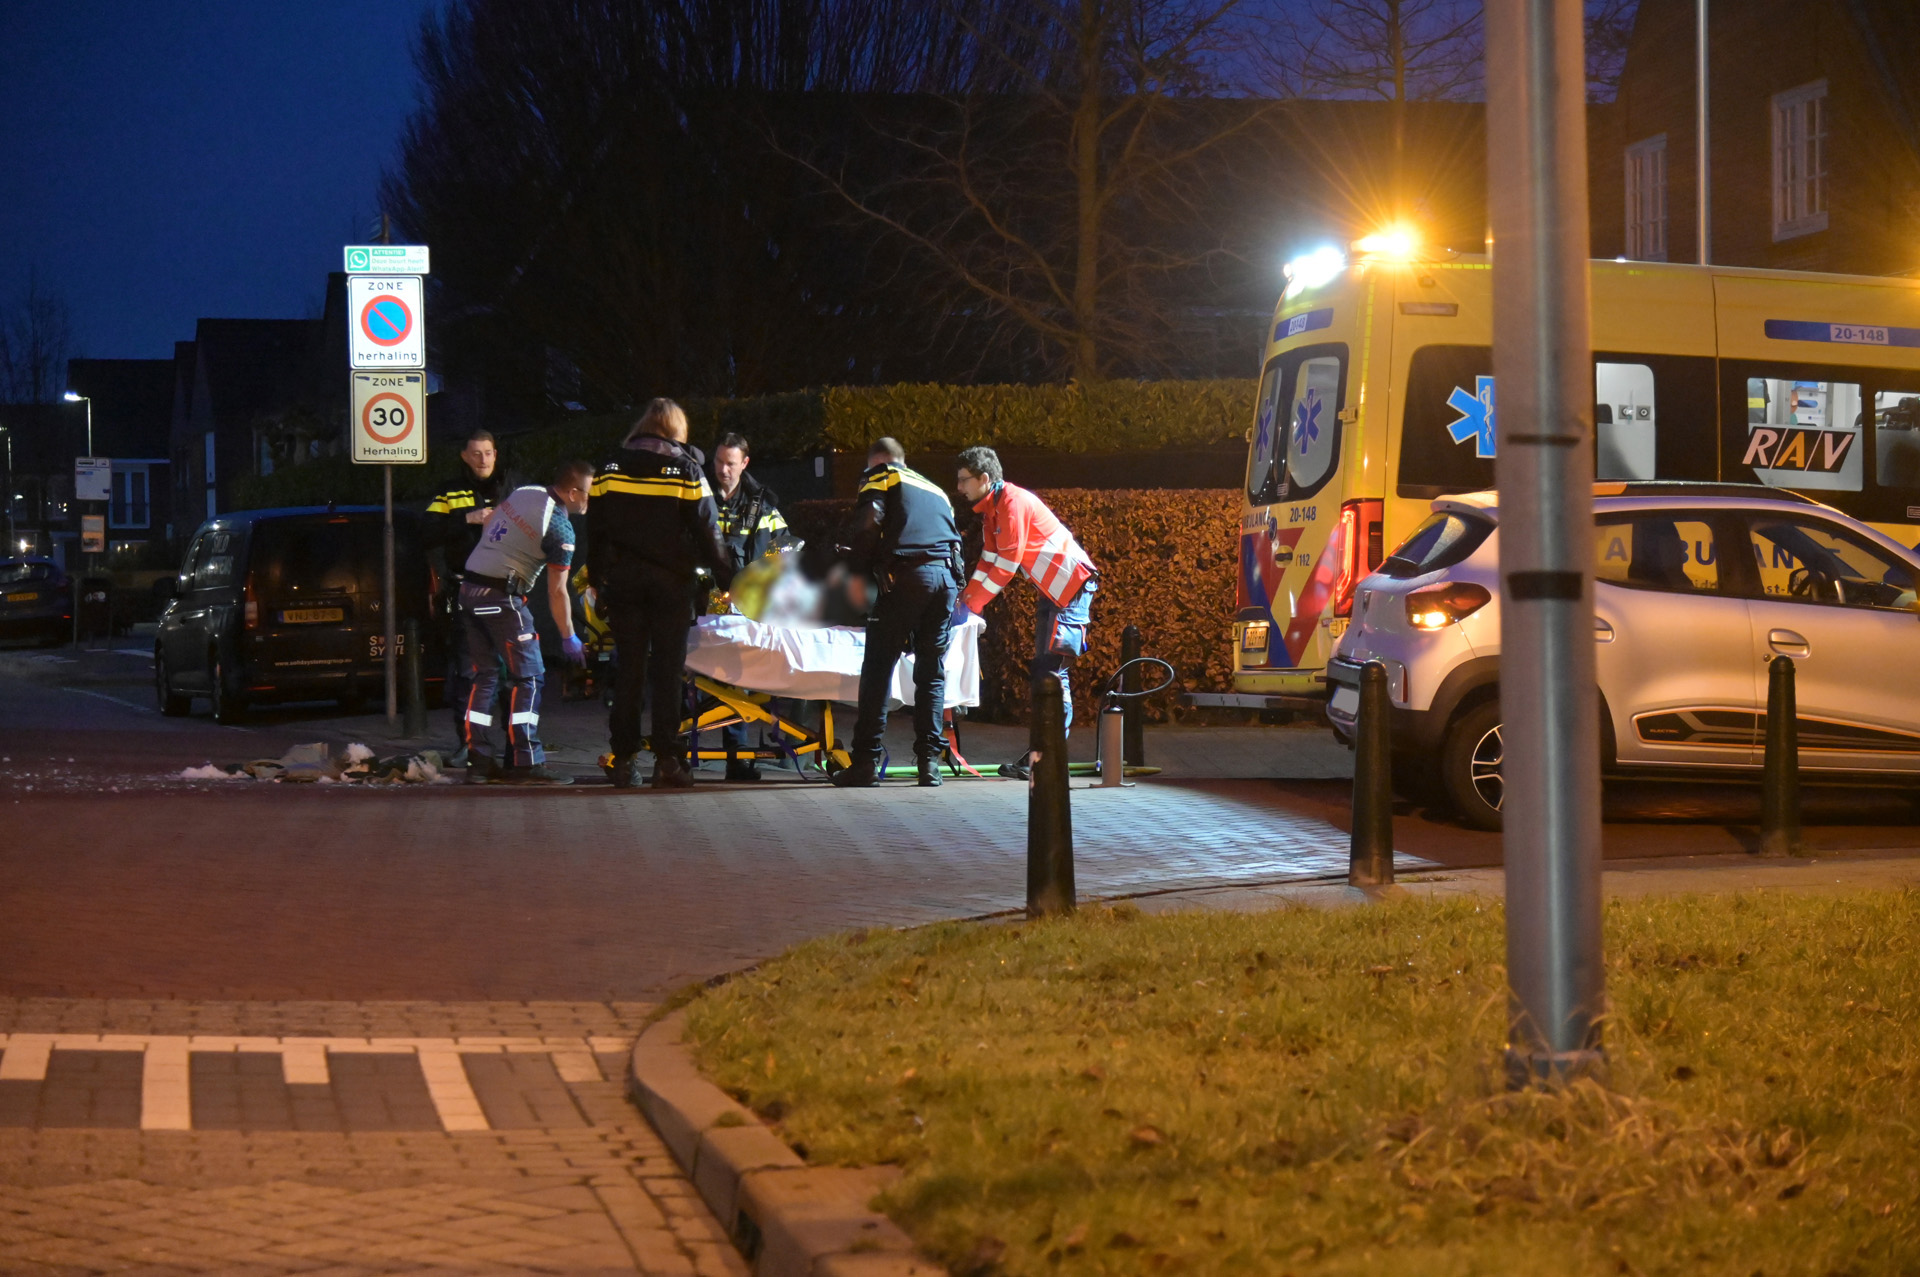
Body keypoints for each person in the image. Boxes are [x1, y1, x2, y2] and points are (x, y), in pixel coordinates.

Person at [591, 398, 735, 790]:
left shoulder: (609, 467)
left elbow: (596, 529)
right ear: (676, 429)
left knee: (629, 670)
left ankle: (623, 759)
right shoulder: (686, 469)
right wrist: (728, 581)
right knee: (668, 672)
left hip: (624, 582)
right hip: (671, 584)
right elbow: (709, 530)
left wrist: (598, 579)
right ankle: (668, 760)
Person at [952, 446, 1098, 781]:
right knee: (1047, 672)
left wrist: (972, 604)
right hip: (1059, 590)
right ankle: (1043, 754)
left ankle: (1046, 756)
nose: (959, 488)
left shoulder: (1011, 502)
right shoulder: (994, 507)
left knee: (1051, 673)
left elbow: (1006, 564)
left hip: (1071, 588)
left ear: (984, 478)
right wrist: (967, 599)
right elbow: (989, 559)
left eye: (964, 480)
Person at [830, 437, 964, 789]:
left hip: (906, 576)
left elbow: (867, 525)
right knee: (931, 672)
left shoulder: (882, 475)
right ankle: (929, 764)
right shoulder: (936, 490)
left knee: (878, 669)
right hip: (947, 579)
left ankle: (864, 763)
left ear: (877, 461)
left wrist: (855, 572)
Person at [457, 461, 593, 786]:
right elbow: (557, 592)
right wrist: (569, 637)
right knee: (529, 677)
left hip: (468, 591)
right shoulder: (560, 528)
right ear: (573, 493)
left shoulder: (525, 492)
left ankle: (479, 760)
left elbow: (491, 523)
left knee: (485, 676)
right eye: (589, 493)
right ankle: (527, 762)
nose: (592, 499)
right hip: (502, 597)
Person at [426, 429, 521, 763]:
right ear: (465, 456)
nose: (483, 460)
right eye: (476, 453)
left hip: (507, 591)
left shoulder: (513, 490)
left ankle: (515, 748)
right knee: (469, 673)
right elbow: (427, 532)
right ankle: (471, 747)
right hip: (465, 591)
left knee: (513, 675)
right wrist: (467, 518)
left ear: (496, 454)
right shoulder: (449, 492)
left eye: (488, 453)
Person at [711, 431, 794, 781]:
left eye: (730, 463)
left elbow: (785, 551)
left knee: (737, 682)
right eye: (719, 461)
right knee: (692, 683)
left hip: (745, 608)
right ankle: (680, 754)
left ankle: (737, 757)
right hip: (702, 606)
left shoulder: (762, 506)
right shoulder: (700, 497)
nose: (723, 470)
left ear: (744, 463)